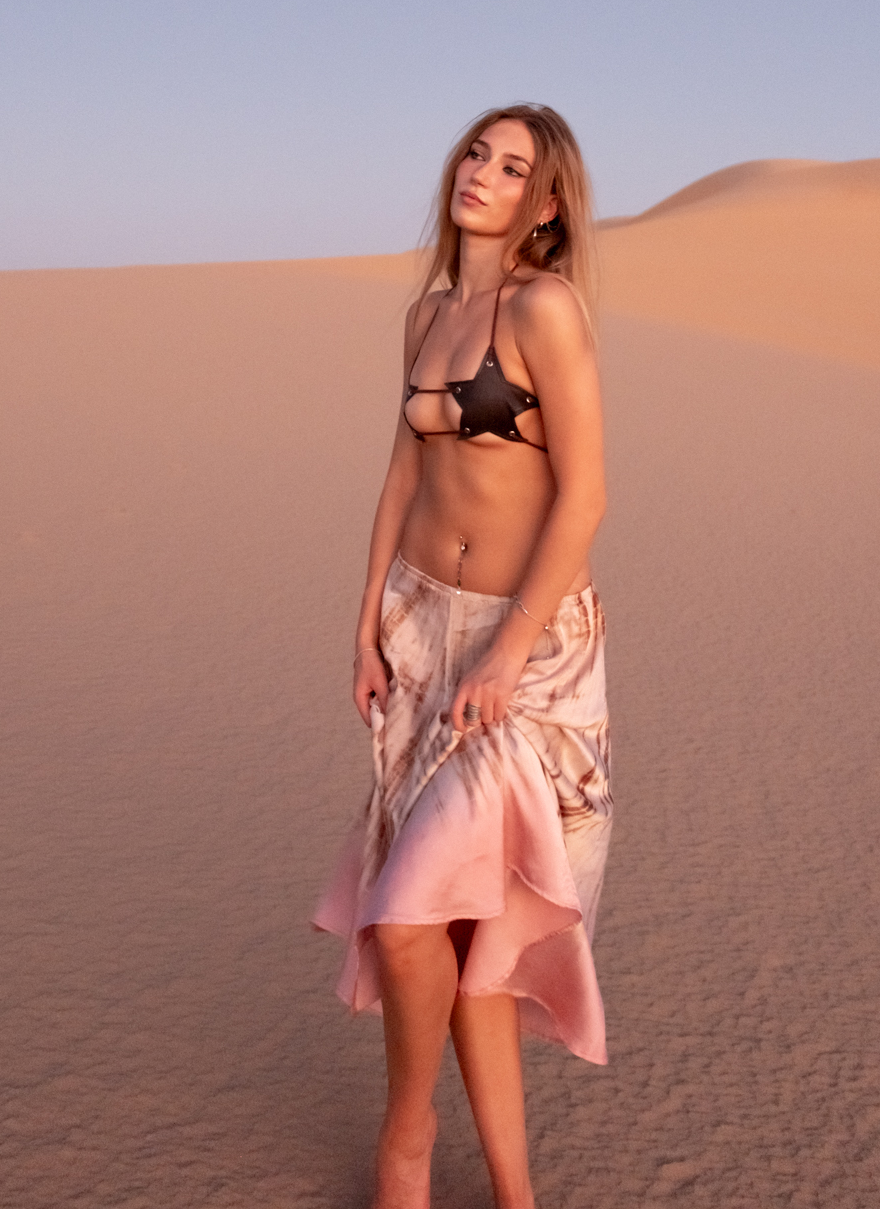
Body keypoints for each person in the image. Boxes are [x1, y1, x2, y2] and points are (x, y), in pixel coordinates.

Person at [314, 105, 612, 1209]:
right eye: (475, 153)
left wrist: (507, 651)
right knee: (458, 929)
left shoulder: (546, 308)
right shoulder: (426, 316)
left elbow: (582, 493)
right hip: (420, 635)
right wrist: (363, 624)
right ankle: (514, 1192)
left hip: (520, 653)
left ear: (545, 203)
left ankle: (405, 1139)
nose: (481, 173)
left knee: (403, 921)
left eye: (512, 166)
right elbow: (401, 475)